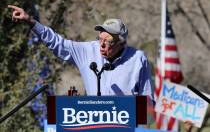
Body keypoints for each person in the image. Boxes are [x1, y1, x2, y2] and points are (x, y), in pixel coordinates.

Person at [8, 5, 154, 101]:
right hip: (92, 125)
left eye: (108, 41)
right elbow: (57, 43)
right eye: (99, 39)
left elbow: (148, 102)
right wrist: (31, 21)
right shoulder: (88, 51)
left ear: (122, 43)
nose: (101, 45)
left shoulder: (137, 59)